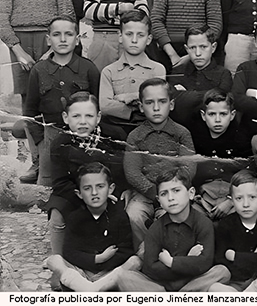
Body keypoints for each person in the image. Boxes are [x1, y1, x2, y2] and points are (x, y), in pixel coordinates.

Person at [1, 0, 74, 166]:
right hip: (20, 43)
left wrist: (51, 51)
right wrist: (18, 51)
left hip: (50, 41)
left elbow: (68, 15)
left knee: (54, 97)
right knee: (28, 102)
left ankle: (58, 158)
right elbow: (2, 19)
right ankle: (36, 160)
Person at [43, 92, 129, 258]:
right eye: (76, 116)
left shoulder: (115, 136)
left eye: (89, 116)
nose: (83, 122)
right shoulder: (60, 143)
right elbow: (60, 182)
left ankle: (116, 258)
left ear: (98, 117)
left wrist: (121, 189)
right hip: (75, 193)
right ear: (66, 118)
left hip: (109, 193)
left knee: (124, 214)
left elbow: (123, 171)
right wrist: (85, 197)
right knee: (57, 215)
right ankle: (59, 260)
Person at [117, 167, 230, 292]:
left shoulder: (203, 223)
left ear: (191, 193)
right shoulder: (156, 228)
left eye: (176, 190)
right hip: (160, 285)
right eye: (164, 194)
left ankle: (176, 297)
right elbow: (151, 268)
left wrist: (171, 262)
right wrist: (189, 259)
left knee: (222, 271)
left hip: (193, 282)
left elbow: (205, 263)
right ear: (159, 201)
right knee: (124, 277)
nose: (170, 198)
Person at [24, 15, 100, 186]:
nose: (63, 39)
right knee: (47, 187)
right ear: (48, 40)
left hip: (83, 135)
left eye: (69, 34)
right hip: (50, 135)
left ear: (78, 39)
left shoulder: (88, 68)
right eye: (57, 34)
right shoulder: (39, 70)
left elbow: (97, 104)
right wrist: (41, 142)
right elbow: (30, 112)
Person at [123, 78, 195, 250]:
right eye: (149, 103)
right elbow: (132, 172)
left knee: (174, 217)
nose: (156, 108)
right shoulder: (135, 136)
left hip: (174, 192)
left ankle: (172, 255)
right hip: (145, 193)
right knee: (134, 215)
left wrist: (169, 191)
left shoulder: (181, 134)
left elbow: (188, 168)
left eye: (162, 102)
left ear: (171, 105)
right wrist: (155, 193)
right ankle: (143, 253)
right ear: (141, 107)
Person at [46, 162, 141, 292]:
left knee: (135, 261)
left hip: (109, 273)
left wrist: (103, 267)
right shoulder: (75, 217)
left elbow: (125, 251)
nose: (94, 193)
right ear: (79, 193)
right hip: (82, 272)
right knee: (55, 260)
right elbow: (70, 252)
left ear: (111, 189)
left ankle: (88, 290)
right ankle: (93, 289)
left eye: (100, 186)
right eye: (87, 188)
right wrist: (97, 259)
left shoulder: (119, 215)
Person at [208, 170, 257, 292]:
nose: (246, 204)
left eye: (252, 197)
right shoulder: (226, 224)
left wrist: (235, 256)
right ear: (231, 201)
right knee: (214, 288)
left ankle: (248, 294)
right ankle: (248, 296)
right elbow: (220, 259)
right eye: (239, 198)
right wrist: (256, 254)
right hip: (234, 283)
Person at [98, 10, 166, 138]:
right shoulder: (109, 71)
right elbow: (105, 106)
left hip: (149, 130)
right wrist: (138, 107)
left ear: (149, 39)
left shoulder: (157, 69)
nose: (134, 40)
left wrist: (132, 96)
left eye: (140, 35)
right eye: (129, 34)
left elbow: (159, 102)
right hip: (116, 130)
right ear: (120, 36)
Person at [191, 90, 251, 222]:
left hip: (232, 197)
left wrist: (230, 201)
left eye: (223, 114)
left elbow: (247, 175)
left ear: (232, 115)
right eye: (212, 114)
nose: (217, 120)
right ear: (203, 115)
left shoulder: (241, 140)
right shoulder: (196, 139)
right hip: (202, 197)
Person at [168, 25, 233, 128]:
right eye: (193, 48)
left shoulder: (223, 74)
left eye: (203, 47)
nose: (198, 53)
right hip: (183, 127)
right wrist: (208, 94)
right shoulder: (178, 71)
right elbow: (173, 104)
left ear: (213, 47)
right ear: (186, 49)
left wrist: (186, 95)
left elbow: (219, 103)